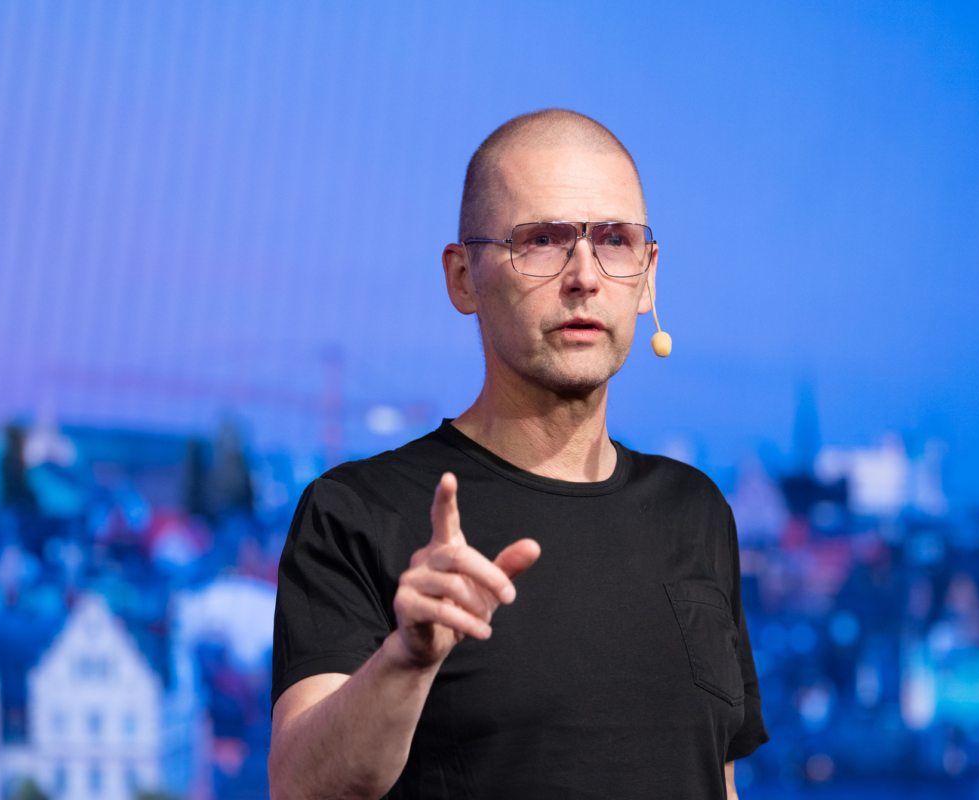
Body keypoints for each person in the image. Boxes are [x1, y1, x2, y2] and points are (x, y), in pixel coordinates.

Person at [269, 108, 767, 799]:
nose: (585, 276)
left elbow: (717, 779)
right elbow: (299, 784)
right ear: (462, 277)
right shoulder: (357, 512)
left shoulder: (696, 510)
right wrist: (405, 660)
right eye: (542, 241)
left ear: (648, 277)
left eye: (615, 240)